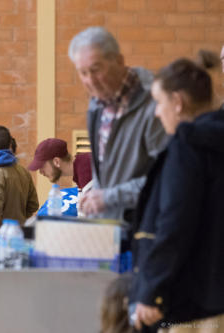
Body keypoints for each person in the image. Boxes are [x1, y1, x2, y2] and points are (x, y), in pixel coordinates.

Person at [131, 52, 224, 332]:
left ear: (178, 102)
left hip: (190, 304)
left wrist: (152, 290)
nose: (157, 112)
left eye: (159, 103)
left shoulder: (186, 147)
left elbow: (175, 222)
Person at [68, 27, 167, 222]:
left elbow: (166, 178)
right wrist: (96, 192)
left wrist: (109, 197)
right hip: (111, 226)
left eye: (96, 70)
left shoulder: (156, 104)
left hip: (146, 226)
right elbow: (108, 170)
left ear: (119, 61)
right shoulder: (97, 102)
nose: (90, 81)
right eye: (83, 73)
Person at [0, 125, 39, 225]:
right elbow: (33, 205)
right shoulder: (23, 171)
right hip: (19, 232)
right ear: (10, 144)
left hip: (1, 236)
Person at [28, 138, 92, 216]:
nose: (41, 172)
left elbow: (91, 215)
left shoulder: (85, 168)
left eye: (42, 166)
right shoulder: (79, 171)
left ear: (57, 162)